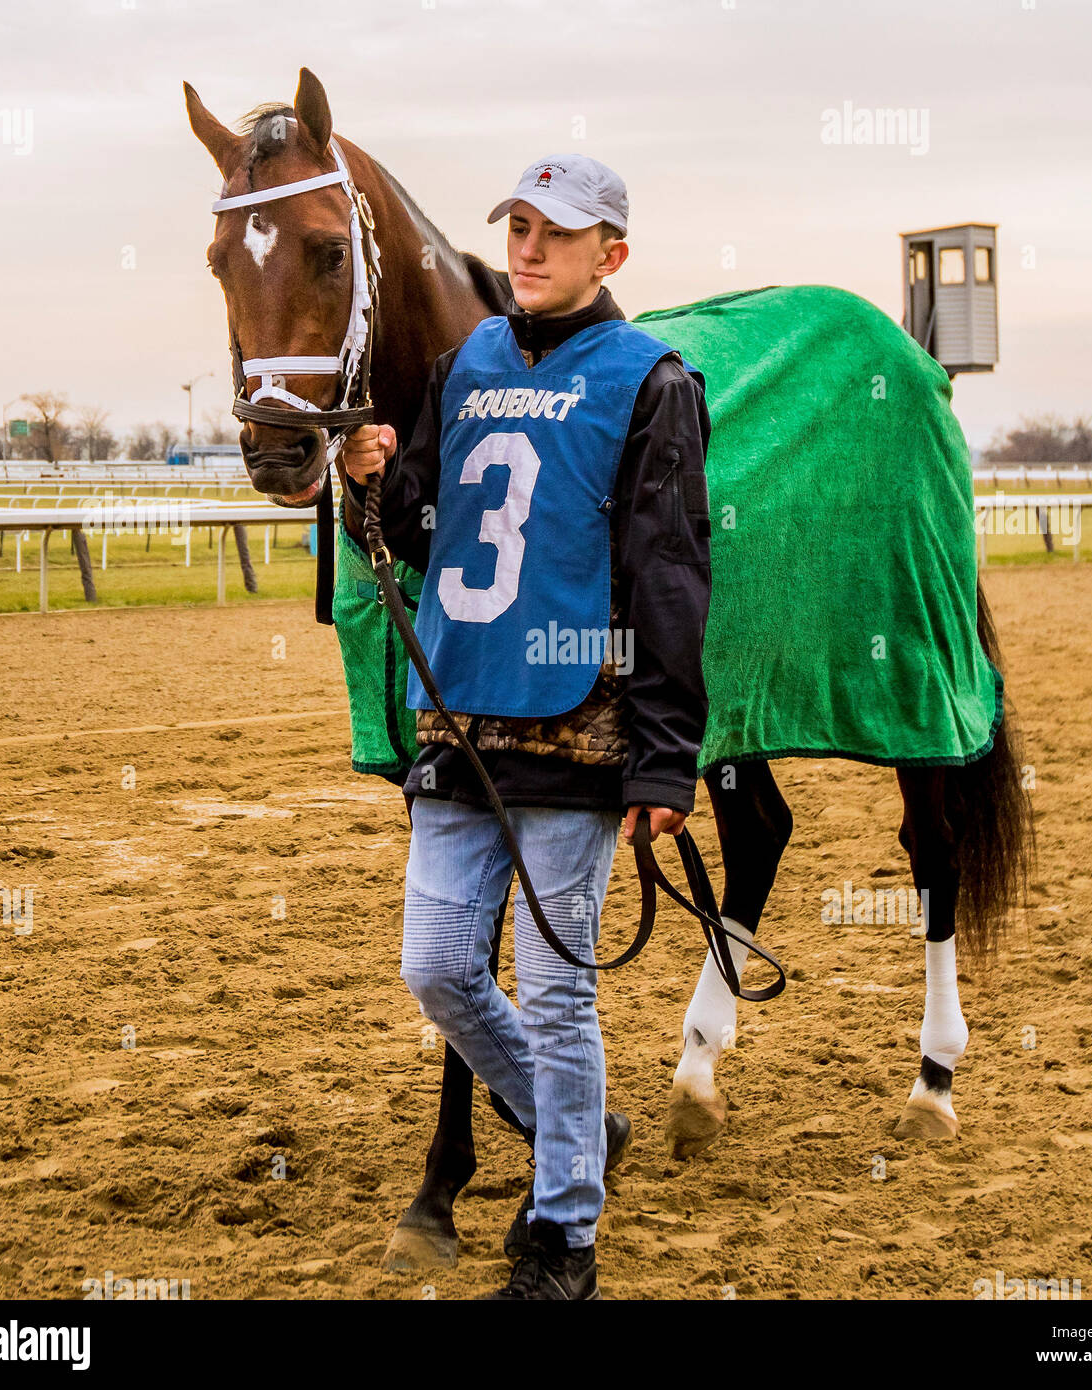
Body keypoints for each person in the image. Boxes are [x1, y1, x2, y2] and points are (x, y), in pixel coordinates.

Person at [342, 154, 711, 1300]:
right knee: (437, 969)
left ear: (612, 252)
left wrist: (665, 760)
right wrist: (372, 480)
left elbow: (669, 573)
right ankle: (579, 1130)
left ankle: (564, 1236)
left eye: (557, 231)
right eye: (517, 227)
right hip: (458, 720)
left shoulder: (652, 381)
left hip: (578, 729)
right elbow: (424, 536)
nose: (529, 248)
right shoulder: (461, 366)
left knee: (556, 994)